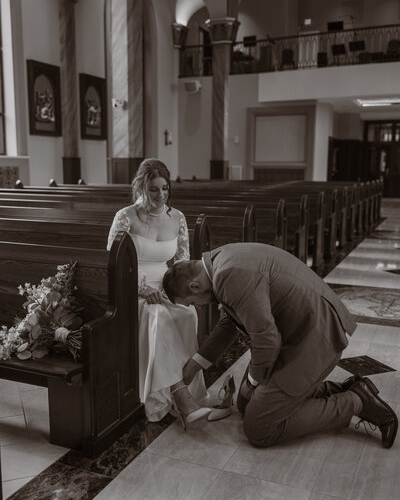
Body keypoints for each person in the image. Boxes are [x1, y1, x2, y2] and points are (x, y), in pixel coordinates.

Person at [162, 242, 398, 448]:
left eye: (193, 303)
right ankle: (343, 389)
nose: (199, 307)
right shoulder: (218, 261)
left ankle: (356, 401)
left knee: (259, 428)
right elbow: (228, 324)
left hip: (315, 338)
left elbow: (266, 338)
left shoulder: (228, 274)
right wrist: (192, 369)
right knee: (246, 405)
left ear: (194, 286)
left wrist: (254, 381)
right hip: (294, 331)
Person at [107, 159, 210, 426]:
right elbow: (113, 266)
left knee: (188, 315)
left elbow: (182, 266)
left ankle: (188, 390)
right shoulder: (125, 217)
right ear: (141, 186)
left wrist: (171, 292)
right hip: (131, 290)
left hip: (166, 287)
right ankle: (180, 397)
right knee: (159, 319)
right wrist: (141, 290)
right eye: (154, 189)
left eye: (165, 188)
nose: (161, 195)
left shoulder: (177, 218)